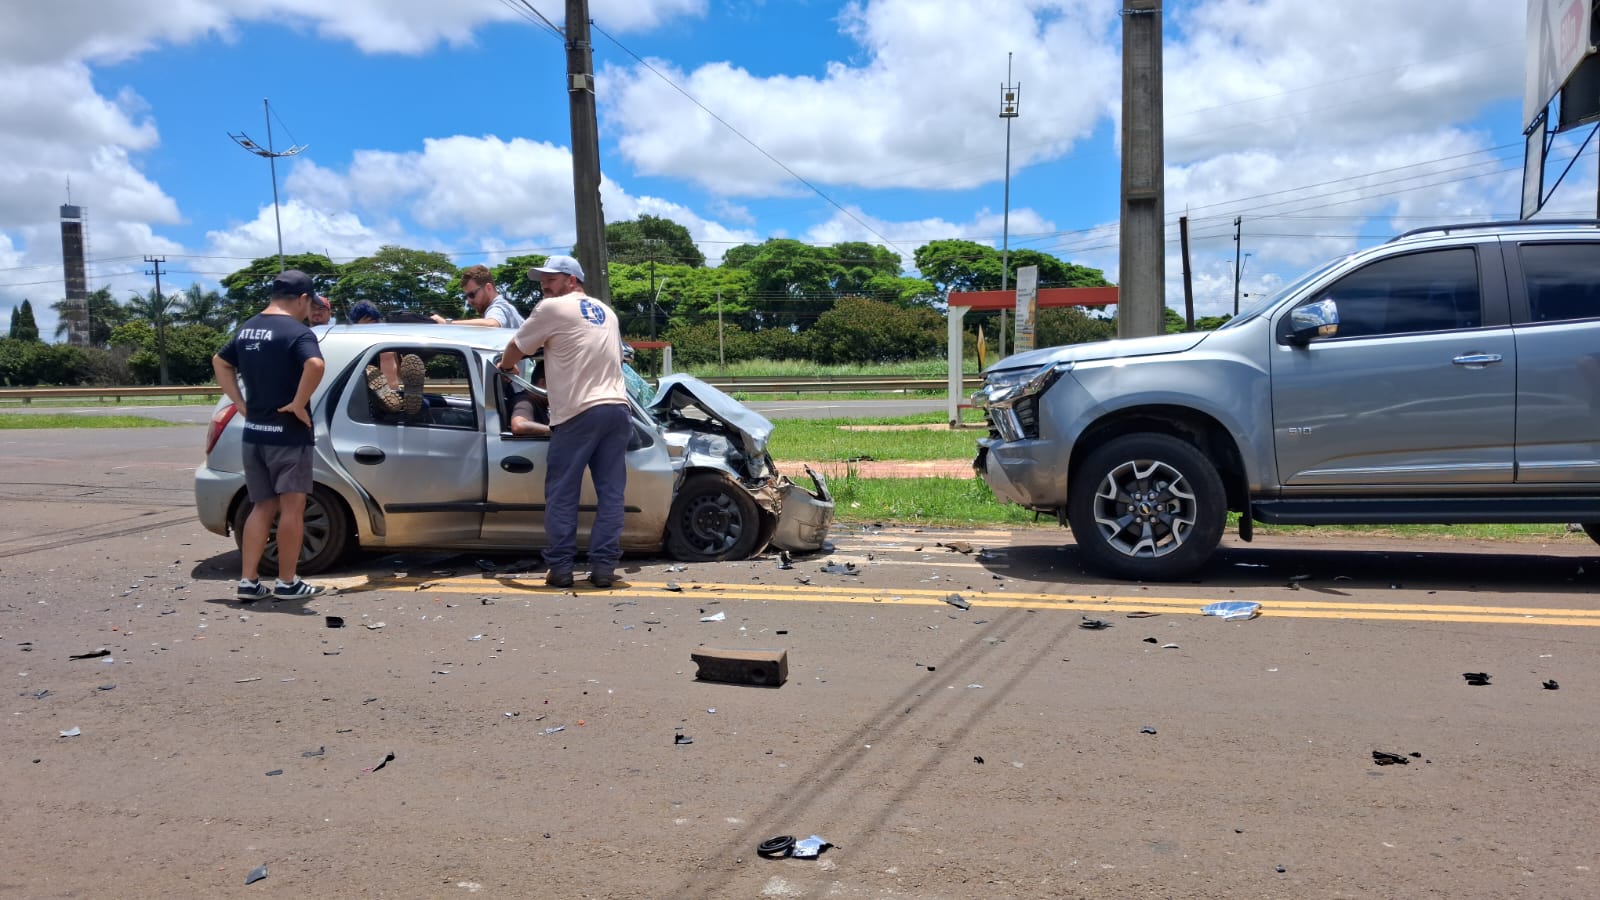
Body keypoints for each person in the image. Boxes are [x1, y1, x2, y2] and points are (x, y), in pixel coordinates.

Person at [499, 255, 628, 589]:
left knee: (562, 494)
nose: (544, 286)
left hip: (577, 412)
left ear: (572, 280)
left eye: (551, 279)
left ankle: (560, 568)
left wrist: (506, 366)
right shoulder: (607, 312)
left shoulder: (552, 308)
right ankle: (604, 568)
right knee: (611, 494)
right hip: (617, 409)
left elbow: (515, 346)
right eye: (542, 280)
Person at [212, 269, 327, 600]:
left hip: (255, 433)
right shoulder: (298, 332)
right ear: (303, 299)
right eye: (310, 303)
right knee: (292, 508)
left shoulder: (248, 328)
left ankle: (249, 581)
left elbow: (220, 361)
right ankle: (288, 582)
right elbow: (315, 365)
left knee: (261, 506)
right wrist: (298, 403)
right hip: (288, 434)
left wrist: (239, 402)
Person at [434, 264, 524, 328]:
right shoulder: (504, 306)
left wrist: (447, 323)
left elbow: (492, 324)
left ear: (488, 288)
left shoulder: (498, 307)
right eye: (466, 296)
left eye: (472, 294)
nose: (469, 301)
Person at [507, 364, 550, 437]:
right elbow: (519, 426)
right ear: (543, 382)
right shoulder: (525, 401)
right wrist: (555, 431)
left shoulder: (540, 403)